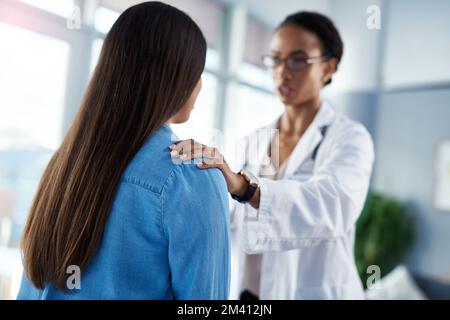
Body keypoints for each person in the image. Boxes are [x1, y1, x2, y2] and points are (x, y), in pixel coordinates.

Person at [17, 1, 230, 300]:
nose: (200, 84)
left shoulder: (62, 168)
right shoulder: (193, 177)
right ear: (176, 79)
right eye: (197, 71)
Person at [170, 11, 375, 299]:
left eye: (298, 59)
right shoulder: (254, 141)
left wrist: (245, 187)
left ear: (328, 68)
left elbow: (332, 206)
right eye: (276, 59)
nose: (283, 71)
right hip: (251, 293)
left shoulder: (350, 138)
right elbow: (227, 218)